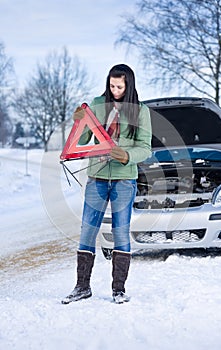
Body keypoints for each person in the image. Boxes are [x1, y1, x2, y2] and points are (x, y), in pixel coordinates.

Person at [62, 64, 152, 304]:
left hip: (124, 179)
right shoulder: (97, 104)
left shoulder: (141, 111)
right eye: (111, 85)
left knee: (120, 231)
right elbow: (83, 140)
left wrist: (127, 156)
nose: (115, 90)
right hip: (97, 177)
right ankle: (82, 287)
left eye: (119, 87)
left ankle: (119, 290)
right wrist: (78, 122)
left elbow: (145, 147)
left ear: (128, 85)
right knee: (87, 230)